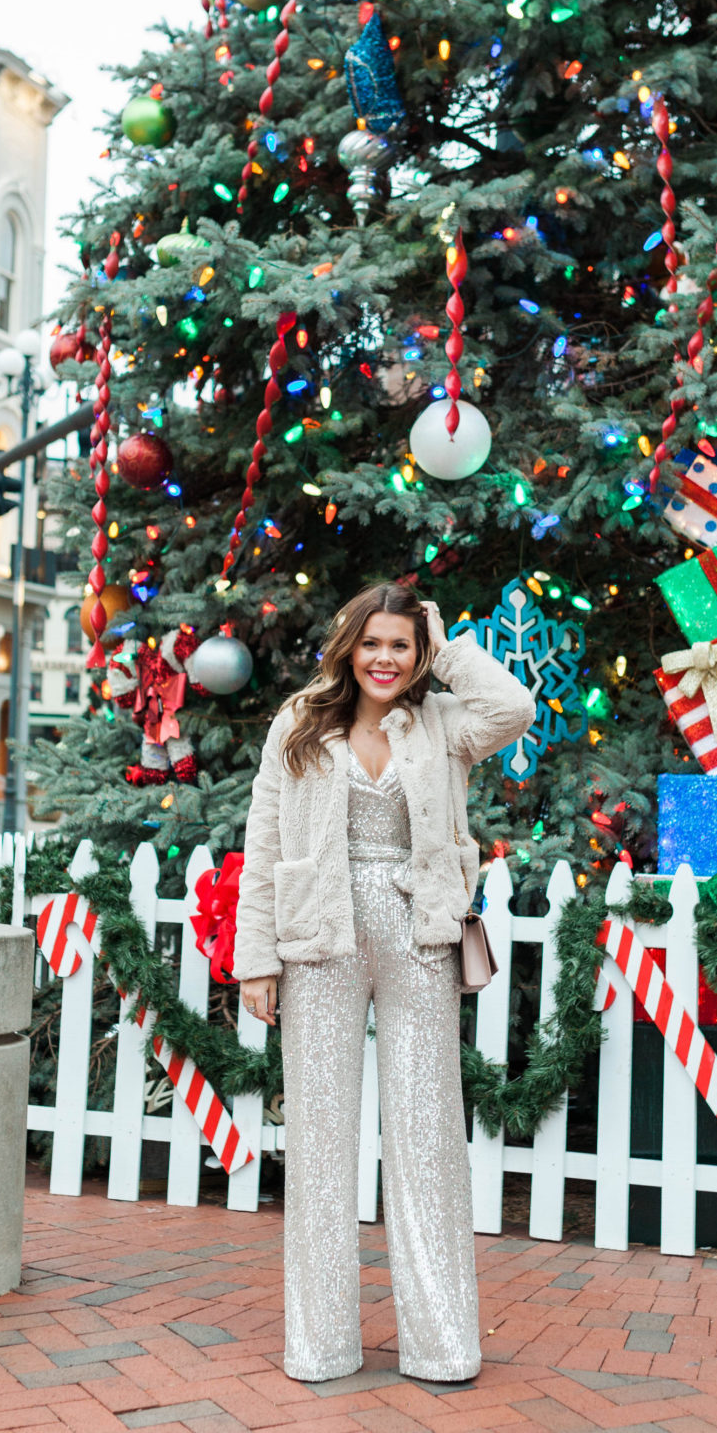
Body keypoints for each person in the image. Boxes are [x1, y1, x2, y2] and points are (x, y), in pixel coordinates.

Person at [232, 581, 535, 1385]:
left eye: (401, 645)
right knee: (321, 1142)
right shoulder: (299, 724)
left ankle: (441, 1345)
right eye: (373, 643)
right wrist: (255, 959)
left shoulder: (441, 724)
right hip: (319, 937)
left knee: (426, 1139)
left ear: (417, 653)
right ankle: (321, 1344)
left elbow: (514, 709)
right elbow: (263, 842)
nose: (385, 659)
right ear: (349, 647)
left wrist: (449, 647)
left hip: (417, 934)